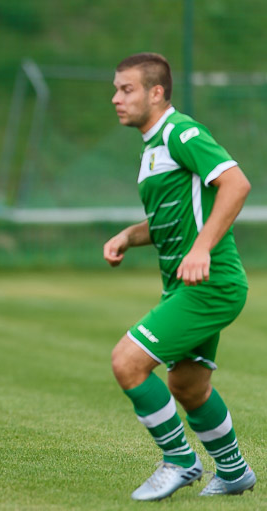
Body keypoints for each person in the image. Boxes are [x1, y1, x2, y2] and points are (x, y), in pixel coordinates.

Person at [105, 52, 256, 501]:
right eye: (115, 90)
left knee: (127, 362)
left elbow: (236, 184)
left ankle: (179, 460)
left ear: (156, 92)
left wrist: (202, 248)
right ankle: (234, 471)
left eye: (126, 89)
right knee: (188, 386)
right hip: (186, 285)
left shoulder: (180, 132)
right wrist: (129, 236)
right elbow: (174, 218)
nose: (116, 99)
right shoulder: (152, 149)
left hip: (212, 283)